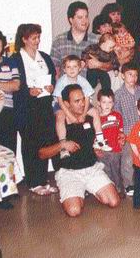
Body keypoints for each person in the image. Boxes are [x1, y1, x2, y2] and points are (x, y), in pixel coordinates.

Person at [42, 84, 120, 217]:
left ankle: (86, 190)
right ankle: (76, 193)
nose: (82, 104)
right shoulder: (57, 122)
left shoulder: (90, 118)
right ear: (66, 104)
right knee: (74, 211)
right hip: (69, 173)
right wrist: (62, 145)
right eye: (77, 101)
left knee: (114, 202)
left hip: (91, 169)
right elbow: (42, 154)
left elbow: (101, 138)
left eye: (83, 99)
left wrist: (117, 138)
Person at [12, 23, 57, 195]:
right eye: (33, 38)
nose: (37, 41)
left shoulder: (44, 57)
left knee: (45, 141)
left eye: (38, 37)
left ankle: (43, 179)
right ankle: (33, 182)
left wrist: (51, 87)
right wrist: (28, 91)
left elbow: (52, 77)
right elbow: (16, 84)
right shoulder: (16, 59)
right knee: (31, 144)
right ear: (23, 39)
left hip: (44, 104)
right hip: (26, 107)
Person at [52, 55, 111, 159]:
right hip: (62, 104)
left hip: (80, 103)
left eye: (75, 67)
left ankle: (99, 140)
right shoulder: (62, 81)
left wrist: (84, 114)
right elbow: (60, 100)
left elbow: (87, 97)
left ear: (80, 68)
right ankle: (63, 146)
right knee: (60, 117)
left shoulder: (82, 80)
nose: (72, 69)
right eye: (69, 67)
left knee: (95, 112)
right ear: (64, 69)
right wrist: (70, 116)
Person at [114, 63, 140, 196]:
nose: (133, 78)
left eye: (135, 75)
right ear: (123, 76)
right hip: (127, 133)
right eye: (129, 74)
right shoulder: (118, 94)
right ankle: (129, 184)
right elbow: (117, 116)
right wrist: (121, 133)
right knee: (128, 159)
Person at [50, 1, 102, 78]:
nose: (85, 21)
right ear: (71, 20)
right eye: (80, 17)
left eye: (86, 17)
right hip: (67, 88)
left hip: (91, 88)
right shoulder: (59, 41)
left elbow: (111, 64)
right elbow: (54, 69)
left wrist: (100, 64)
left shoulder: (97, 40)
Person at [97, 88, 125, 197]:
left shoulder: (118, 116)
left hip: (116, 150)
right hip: (103, 150)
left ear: (113, 103)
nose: (107, 105)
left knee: (116, 171)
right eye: (104, 102)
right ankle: (109, 191)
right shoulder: (97, 118)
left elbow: (121, 131)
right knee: (105, 171)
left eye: (110, 102)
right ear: (99, 103)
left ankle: (119, 189)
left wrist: (122, 138)